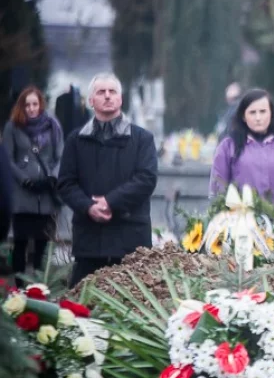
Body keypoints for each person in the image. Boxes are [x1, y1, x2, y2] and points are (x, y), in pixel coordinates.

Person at [58, 73, 158, 287]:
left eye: (112, 92)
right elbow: (66, 183)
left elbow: (146, 179)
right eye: (101, 92)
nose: (107, 96)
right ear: (91, 101)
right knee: (81, 309)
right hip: (90, 241)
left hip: (130, 241)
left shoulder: (142, 139)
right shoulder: (76, 140)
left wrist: (110, 202)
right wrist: (88, 207)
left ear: (120, 99)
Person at [2, 86, 64, 277]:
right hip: (23, 196)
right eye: (27, 104)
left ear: (41, 104)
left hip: (45, 196)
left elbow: (60, 155)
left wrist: (52, 177)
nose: (31, 108)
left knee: (42, 245)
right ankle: (20, 287)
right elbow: (7, 158)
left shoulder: (53, 125)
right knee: (20, 243)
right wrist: (25, 180)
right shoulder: (13, 126)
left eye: (34, 104)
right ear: (21, 105)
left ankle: (40, 286)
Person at [210, 89, 274, 216]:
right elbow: (218, 188)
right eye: (252, 112)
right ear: (243, 116)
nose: (258, 118)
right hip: (240, 227)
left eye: (263, 112)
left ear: (271, 114)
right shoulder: (228, 147)